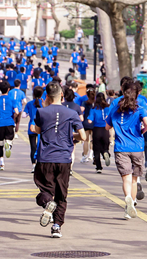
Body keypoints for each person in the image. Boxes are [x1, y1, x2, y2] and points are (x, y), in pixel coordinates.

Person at [31, 82, 86, 238]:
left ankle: (48, 202)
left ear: (46, 96)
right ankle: (56, 227)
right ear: (62, 95)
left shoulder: (41, 112)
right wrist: (70, 136)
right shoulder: (72, 113)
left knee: (44, 190)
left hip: (45, 157)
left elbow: (38, 130)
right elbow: (82, 136)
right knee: (62, 193)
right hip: (64, 158)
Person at [105, 82, 147, 219]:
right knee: (134, 179)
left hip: (121, 147)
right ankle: (132, 202)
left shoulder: (115, 108)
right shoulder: (140, 108)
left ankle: (128, 200)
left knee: (126, 177)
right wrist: (142, 131)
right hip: (137, 146)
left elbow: (107, 127)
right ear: (136, 94)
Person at [0, 81, 20, 170]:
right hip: (9, 122)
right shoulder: (12, 100)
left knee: (0, 144)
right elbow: (17, 112)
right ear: (8, 89)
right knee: (9, 140)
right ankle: (9, 146)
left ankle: (2, 164)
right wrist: (12, 114)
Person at [88, 93, 111, 173]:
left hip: (96, 130)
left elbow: (90, 120)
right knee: (105, 146)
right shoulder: (107, 108)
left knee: (96, 149)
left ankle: (99, 167)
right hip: (105, 129)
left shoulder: (93, 109)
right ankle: (106, 153)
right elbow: (109, 118)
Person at [25, 86, 44, 173]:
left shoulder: (29, 104)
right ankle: (40, 164)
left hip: (31, 127)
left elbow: (24, 115)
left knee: (33, 147)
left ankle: (33, 165)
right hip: (42, 126)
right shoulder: (44, 103)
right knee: (42, 146)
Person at [79, 87, 95, 163]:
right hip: (94, 122)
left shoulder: (85, 102)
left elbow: (81, 109)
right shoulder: (95, 103)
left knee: (85, 140)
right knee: (92, 140)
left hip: (85, 122)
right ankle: (91, 155)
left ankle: (85, 156)